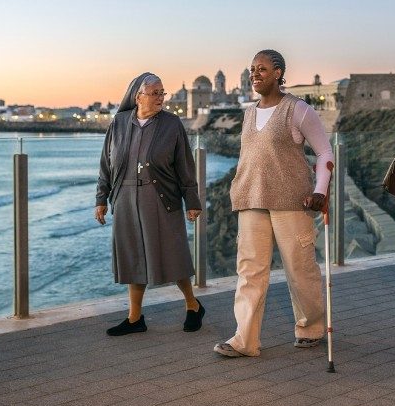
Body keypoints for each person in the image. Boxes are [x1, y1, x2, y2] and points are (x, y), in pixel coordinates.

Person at [213, 49, 334, 357]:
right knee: (249, 271)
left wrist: (320, 190)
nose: (255, 73)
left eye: (262, 68)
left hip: (291, 201)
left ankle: (311, 327)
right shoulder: (250, 112)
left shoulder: (298, 109)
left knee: (299, 269)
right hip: (250, 199)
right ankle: (245, 339)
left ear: (279, 72)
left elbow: (325, 153)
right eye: (253, 69)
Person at [95, 72, 205, 336]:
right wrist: (101, 198)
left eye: (162, 93)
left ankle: (192, 305)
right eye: (154, 93)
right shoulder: (119, 123)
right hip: (124, 199)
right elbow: (106, 165)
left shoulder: (172, 124)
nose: (160, 98)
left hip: (161, 198)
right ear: (138, 96)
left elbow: (185, 166)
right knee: (132, 256)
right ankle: (135, 318)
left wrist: (192, 200)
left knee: (172, 253)